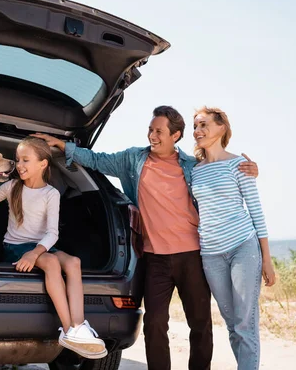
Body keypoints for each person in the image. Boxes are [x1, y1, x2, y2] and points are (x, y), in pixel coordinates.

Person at [33, 105, 259, 370]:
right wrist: (63, 145)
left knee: (200, 324)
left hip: (192, 256)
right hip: (155, 259)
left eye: (159, 131)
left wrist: (250, 170)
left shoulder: (192, 166)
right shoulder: (133, 160)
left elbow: (220, 177)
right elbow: (97, 159)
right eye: (151, 130)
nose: (153, 136)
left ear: (175, 136)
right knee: (154, 325)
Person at [0, 136, 107, 359]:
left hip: (40, 247)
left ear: (43, 164)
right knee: (52, 262)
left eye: (25, 160)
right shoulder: (12, 186)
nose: (19, 165)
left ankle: (79, 327)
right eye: (18, 160)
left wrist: (35, 252)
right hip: (15, 246)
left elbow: (52, 233)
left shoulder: (51, 194)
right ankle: (67, 331)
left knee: (74, 262)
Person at [191, 107, 275, 370]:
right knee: (232, 324)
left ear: (221, 128)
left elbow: (256, 211)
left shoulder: (239, 165)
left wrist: (267, 260)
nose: (197, 131)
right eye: (195, 126)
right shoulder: (193, 170)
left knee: (244, 322)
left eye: (203, 124)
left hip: (243, 247)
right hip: (211, 254)